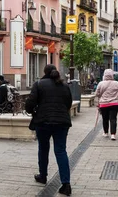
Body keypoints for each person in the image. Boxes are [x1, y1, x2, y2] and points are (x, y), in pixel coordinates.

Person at [25, 64, 72, 196]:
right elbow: (68, 103)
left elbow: (30, 103)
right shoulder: (64, 85)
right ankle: (66, 184)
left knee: (43, 148)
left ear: (44, 72)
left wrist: (32, 110)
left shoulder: (39, 84)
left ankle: (43, 175)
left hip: (43, 121)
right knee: (61, 151)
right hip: (62, 122)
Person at [95, 69, 118, 140]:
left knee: (105, 119)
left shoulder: (101, 83)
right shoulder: (116, 83)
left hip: (104, 104)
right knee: (113, 119)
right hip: (114, 103)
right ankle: (113, 134)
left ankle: (106, 132)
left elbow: (97, 93)